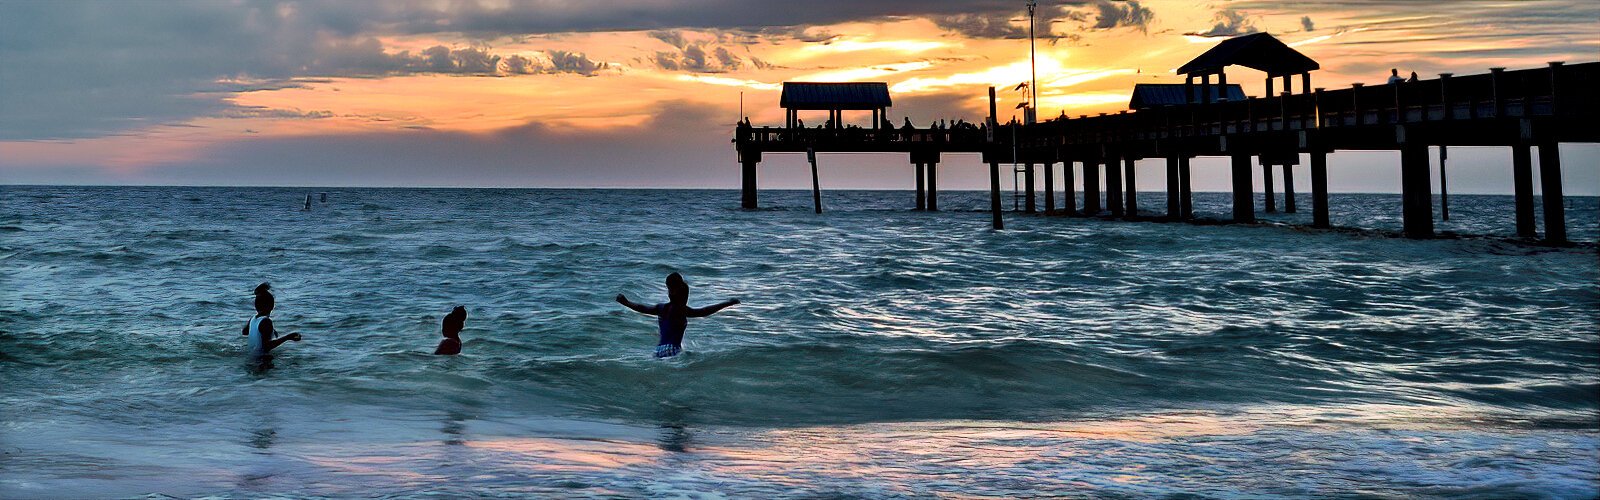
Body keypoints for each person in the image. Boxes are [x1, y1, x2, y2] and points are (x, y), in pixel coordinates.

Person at [615, 273, 739, 358]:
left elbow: (642, 308)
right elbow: (704, 311)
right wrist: (727, 303)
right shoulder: (680, 310)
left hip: (658, 350)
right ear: (683, 296)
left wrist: (626, 302)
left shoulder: (661, 308)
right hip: (672, 351)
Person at [242, 283, 301, 367]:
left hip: (251, 358)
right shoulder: (266, 322)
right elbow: (266, 346)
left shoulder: (253, 319)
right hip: (262, 360)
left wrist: (270, 331)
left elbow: (245, 332)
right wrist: (288, 337)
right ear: (272, 306)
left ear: (256, 306)